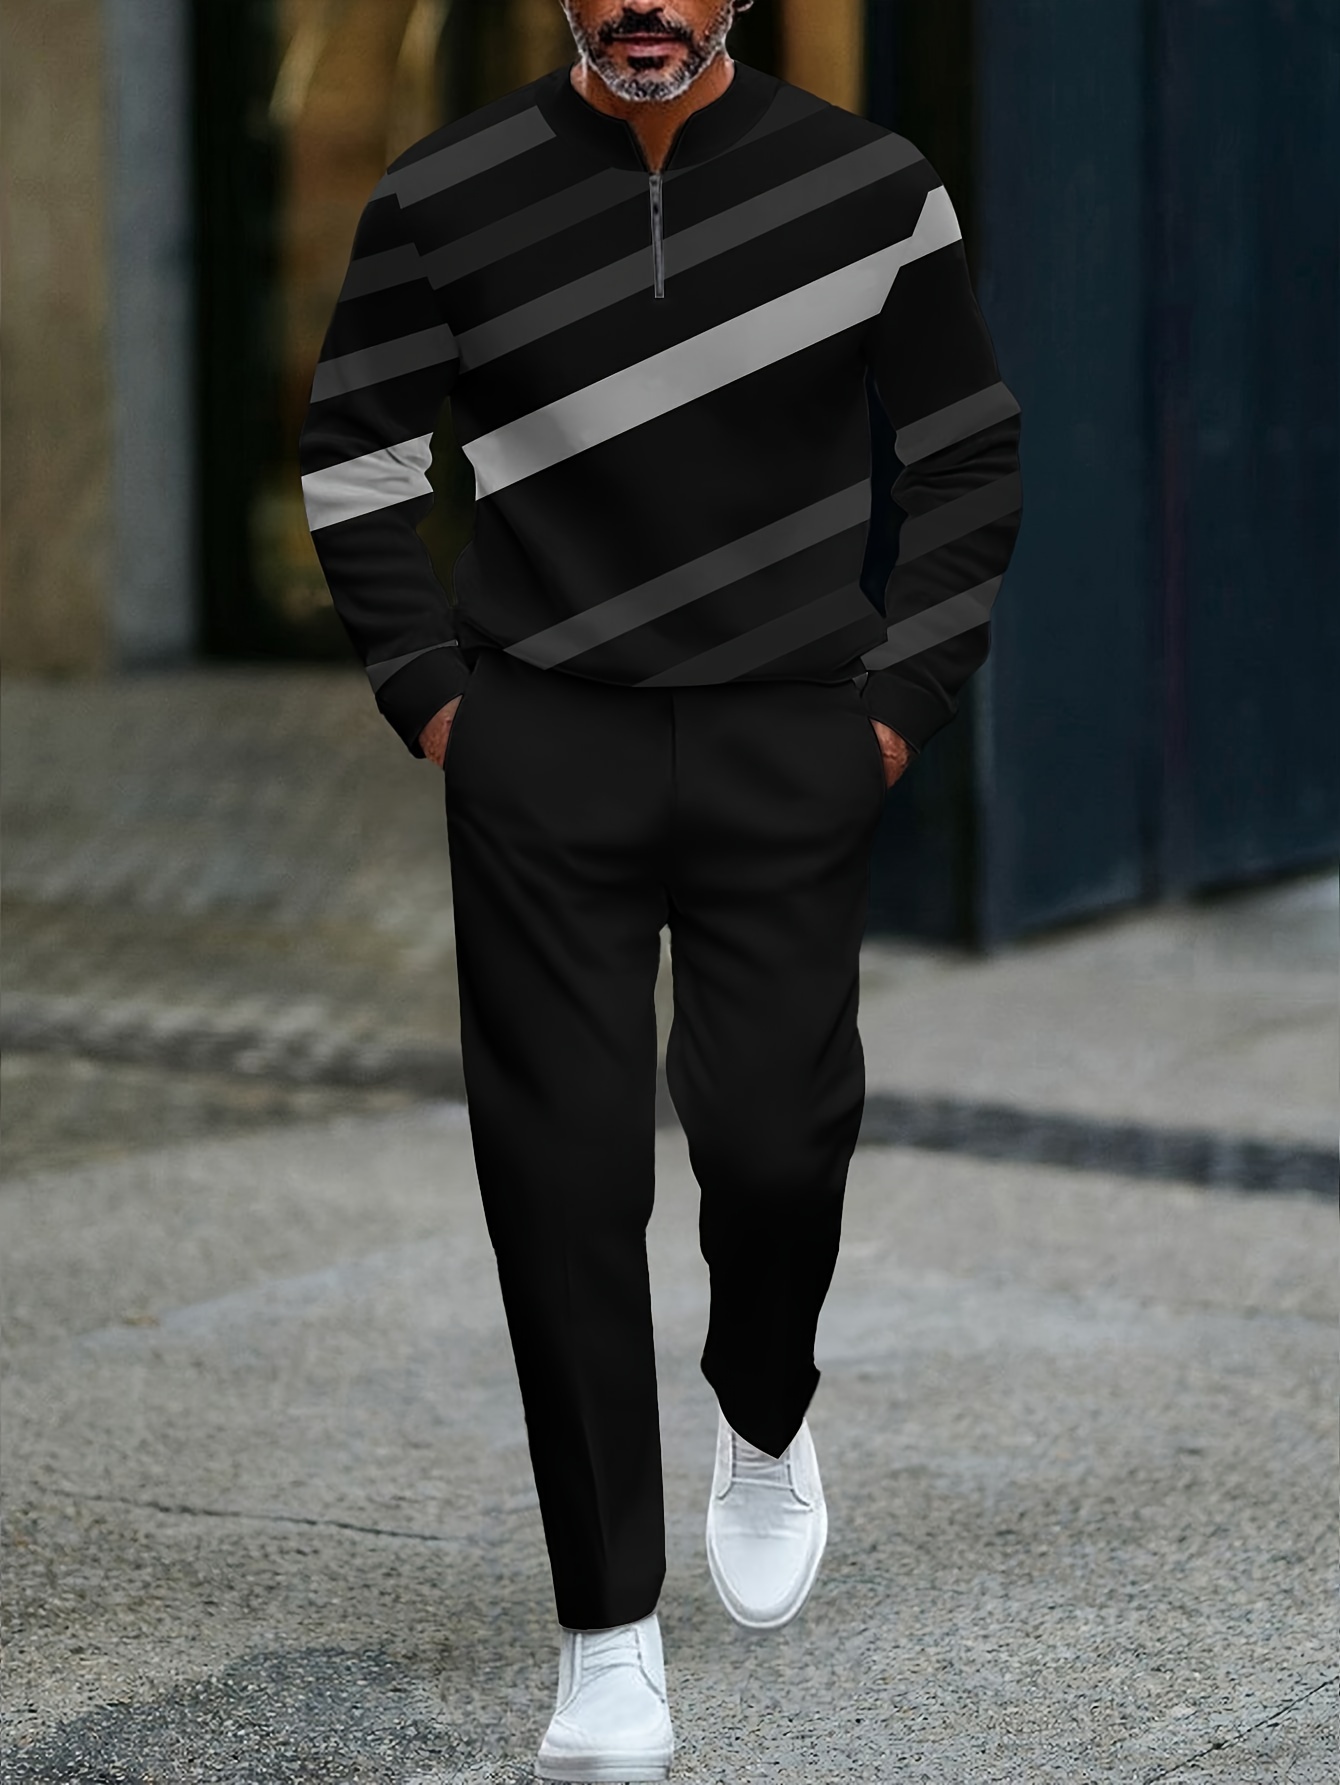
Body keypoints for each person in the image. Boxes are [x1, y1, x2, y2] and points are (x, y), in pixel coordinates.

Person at [299, 1, 1022, 1775]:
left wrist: (892, 714)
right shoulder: (442, 194)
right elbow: (360, 466)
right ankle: (605, 1631)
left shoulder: (870, 184)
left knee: (775, 1141)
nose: (646, 0)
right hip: (544, 745)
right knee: (559, 1179)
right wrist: (441, 705)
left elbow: (967, 457)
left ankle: (763, 1409)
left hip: (791, 736)